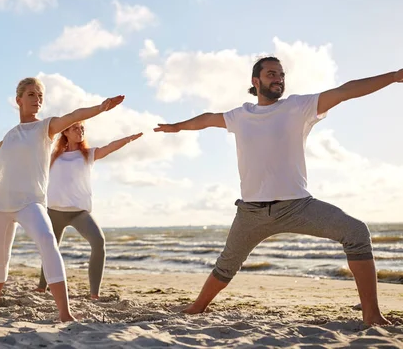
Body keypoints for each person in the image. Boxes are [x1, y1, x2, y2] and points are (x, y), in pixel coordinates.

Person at [155, 57, 403, 325]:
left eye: (282, 75)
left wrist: (394, 76)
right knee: (226, 265)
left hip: (297, 206)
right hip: (251, 212)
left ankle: (371, 314)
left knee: (356, 232)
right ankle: (197, 307)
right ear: (255, 81)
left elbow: (344, 91)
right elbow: (206, 119)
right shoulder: (240, 115)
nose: (279, 79)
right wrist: (178, 126)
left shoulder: (299, 106)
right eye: (272, 74)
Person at [0, 77, 124, 322]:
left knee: (48, 240)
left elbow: (73, 115)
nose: (37, 99)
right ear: (18, 99)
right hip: (0, 202)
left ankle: (65, 312)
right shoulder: (11, 134)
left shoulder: (45, 128)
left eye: (40, 96)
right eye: (31, 94)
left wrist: (100, 108)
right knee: (0, 256)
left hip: (30, 201)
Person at [35, 122, 143, 299]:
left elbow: (109, 148)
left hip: (79, 212)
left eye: (83, 128)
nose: (80, 131)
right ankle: (41, 287)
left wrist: (128, 139)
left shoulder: (88, 154)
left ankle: (94, 293)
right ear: (66, 132)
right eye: (76, 128)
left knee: (98, 241)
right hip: (54, 211)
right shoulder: (53, 156)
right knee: (49, 248)